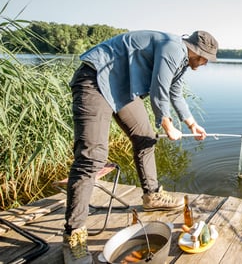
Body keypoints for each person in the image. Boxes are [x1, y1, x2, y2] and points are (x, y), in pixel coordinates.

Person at [62, 30, 218, 263]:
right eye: (206, 58)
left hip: (122, 88)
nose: (205, 63)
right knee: (92, 157)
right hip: (95, 79)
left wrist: (192, 124)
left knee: (145, 137)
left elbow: (174, 93)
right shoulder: (173, 47)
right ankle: (73, 234)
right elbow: (158, 89)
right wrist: (167, 125)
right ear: (196, 51)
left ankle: (152, 196)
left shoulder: (182, 61)